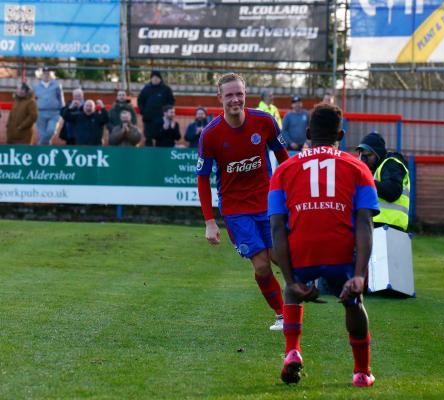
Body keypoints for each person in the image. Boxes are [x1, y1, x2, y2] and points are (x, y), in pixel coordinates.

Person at [268, 103, 379, 387]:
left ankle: (292, 350)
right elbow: (365, 224)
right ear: (340, 135)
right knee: (355, 303)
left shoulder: (283, 171)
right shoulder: (359, 168)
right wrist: (358, 275)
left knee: (291, 293)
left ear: (307, 133)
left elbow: (278, 228)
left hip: (303, 253)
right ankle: (361, 373)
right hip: (342, 253)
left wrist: (291, 279)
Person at [195, 73, 289, 331]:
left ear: (245, 95)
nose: (235, 99)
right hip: (236, 210)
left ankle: (303, 288)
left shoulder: (265, 121)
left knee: (280, 257)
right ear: (220, 98)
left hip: (268, 203)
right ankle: (283, 315)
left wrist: (291, 193)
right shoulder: (211, 134)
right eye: (229, 95)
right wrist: (210, 222)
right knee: (260, 263)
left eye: (239, 94)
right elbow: (202, 179)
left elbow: (284, 158)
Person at [356, 131, 410, 231]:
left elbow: (393, 191)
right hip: (377, 226)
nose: (364, 159)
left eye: (368, 155)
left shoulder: (391, 163)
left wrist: (367, 181)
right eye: (361, 155)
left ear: (378, 153)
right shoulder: (373, 170)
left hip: (390, 227)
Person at [138, 70, 175, 147]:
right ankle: (148, 155)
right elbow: (140, 101)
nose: (155, 79)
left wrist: (167, 113)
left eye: (157, 77)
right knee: (148, 138)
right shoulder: (146, 89)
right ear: (151, 79)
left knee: (161, 137)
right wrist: (143, 112)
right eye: (153, 77)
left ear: (160, 78)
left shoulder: (166, 89)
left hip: (161, 119)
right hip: (148, 119)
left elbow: (171, 101)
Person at [33, 66, 64, 145]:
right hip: (40, 113)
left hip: (54, 113)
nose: (46, 75)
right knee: (43, 135)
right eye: (44, 73)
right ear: (40, 75)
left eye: (48, 73)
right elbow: (33, 100)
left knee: (51, 131)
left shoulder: (57, 86)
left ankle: (38, 147)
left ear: (51, 75)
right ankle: (46, 153)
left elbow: (61, 98)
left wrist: (62, 110)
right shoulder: (35, 87)